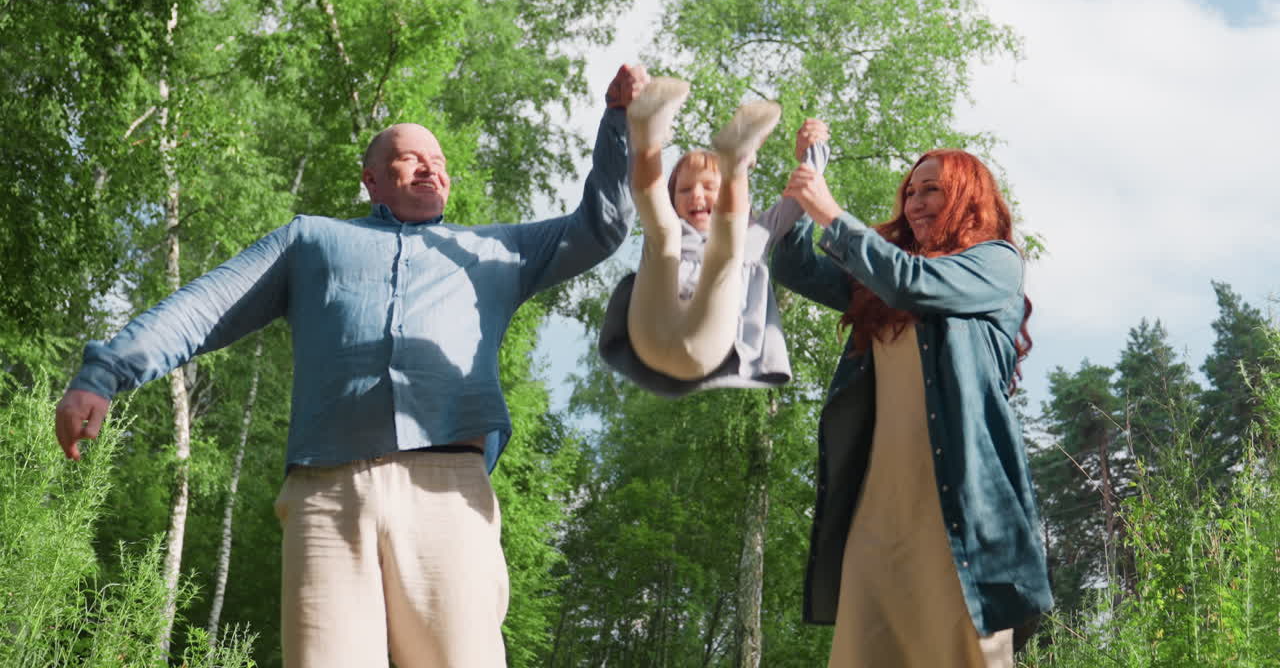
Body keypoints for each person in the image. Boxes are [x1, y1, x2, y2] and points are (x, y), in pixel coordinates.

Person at [53, 64, 649, 667]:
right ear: (371, 179)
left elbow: (601, 227)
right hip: (326, 494)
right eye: (410, 157)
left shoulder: (499, 251)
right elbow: (205, 305)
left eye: (437, 160)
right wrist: (105, 374)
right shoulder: (310, 240)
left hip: (447, 491)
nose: (429, 167)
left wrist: (618, 118)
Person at [773, 149, 1051, 667]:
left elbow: (912, 283)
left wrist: (830, 212)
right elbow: (794, 267)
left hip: (963, 512)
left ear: (967, 199)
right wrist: (802, 189)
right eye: (910, 192)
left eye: (932, 190)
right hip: (877, 514)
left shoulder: (995, 265)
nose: (915, 202)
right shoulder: (881, 288)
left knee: (965, 654)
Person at [599, 77, 829, 395]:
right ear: (674, 198)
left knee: (727, 253)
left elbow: (803, 194)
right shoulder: (672, 228)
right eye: (684, 189)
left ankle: (735, 163)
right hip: (648, 334)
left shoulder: (758, 233)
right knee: (661, 234)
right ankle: (647, 137)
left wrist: (815, 150)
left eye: (709, 187)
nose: (696, 196)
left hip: (702, 346)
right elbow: (647, 194)